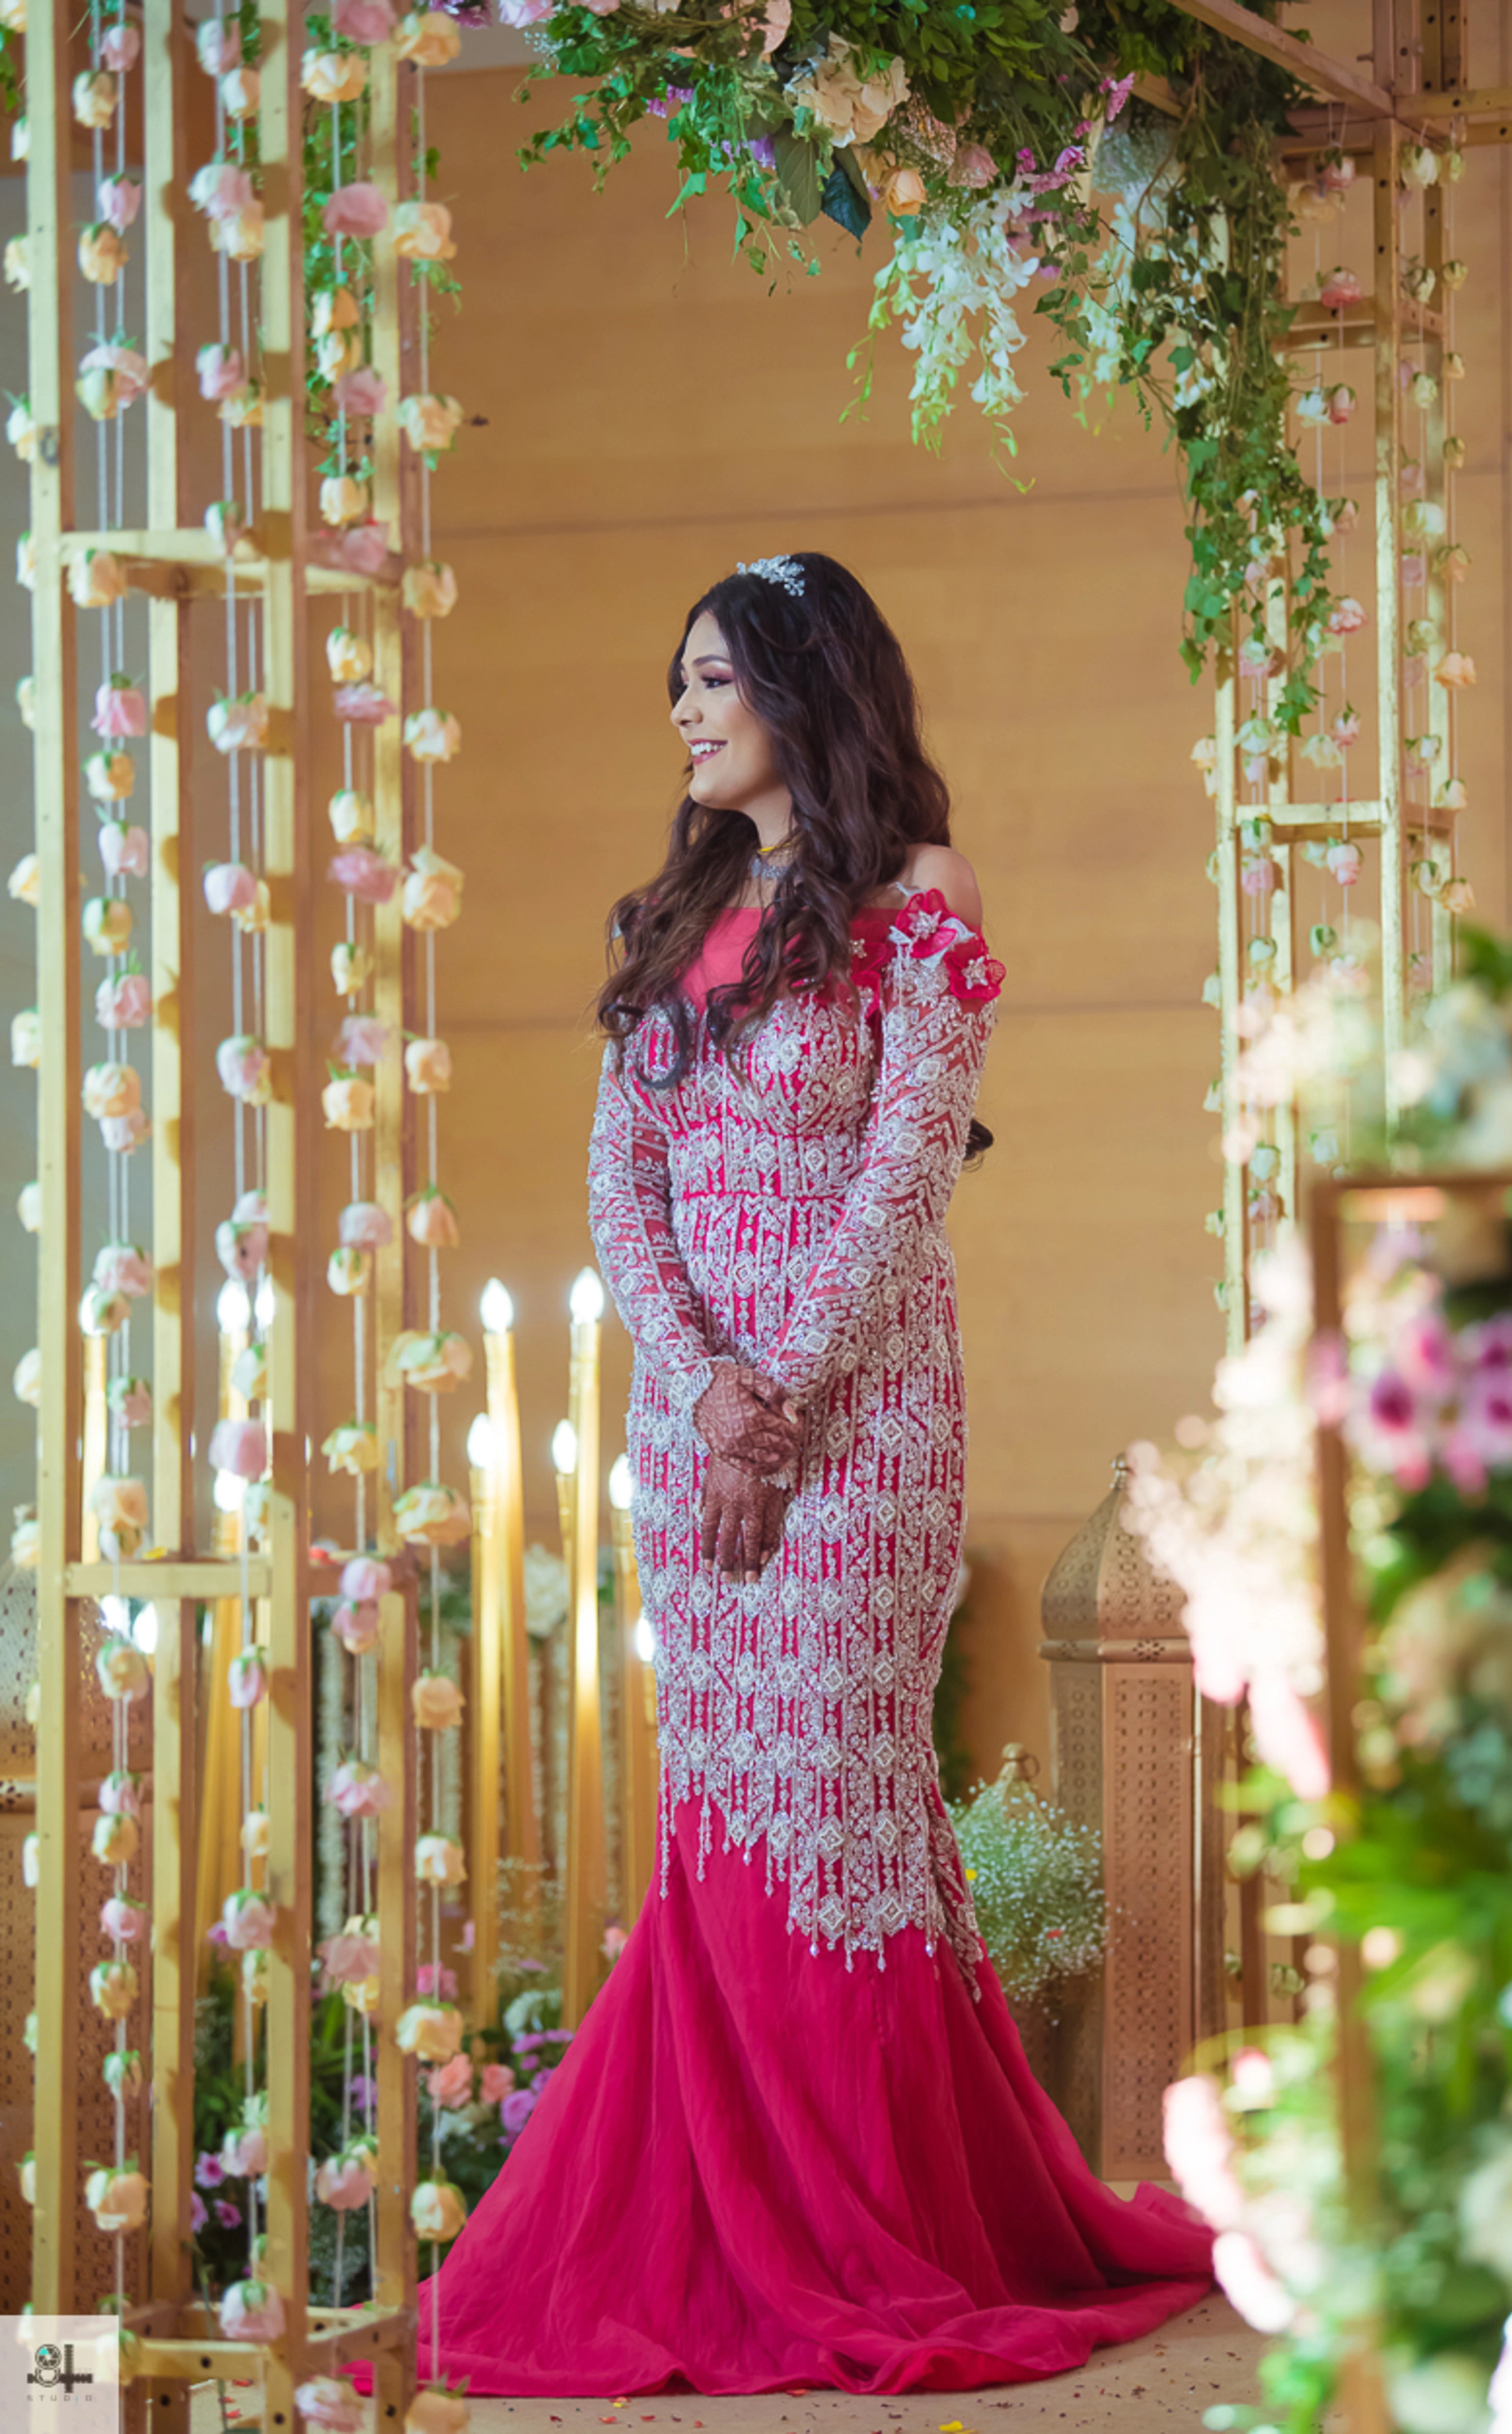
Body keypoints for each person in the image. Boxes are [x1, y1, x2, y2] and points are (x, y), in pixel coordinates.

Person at [416, 553, 1212, 2397]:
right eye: (677, 682)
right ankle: (723, 2233)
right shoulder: (669, 915)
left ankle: (871, 2227)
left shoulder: (916, 901)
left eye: (713, 678)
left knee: (840, 1797)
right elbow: (620, 1187)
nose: (683, 712)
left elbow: (906, 1173)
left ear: (801, 686)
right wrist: (704, 1393)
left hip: (863, 1432)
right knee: (719, 1810)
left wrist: (781, 1399)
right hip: (693, 1436)